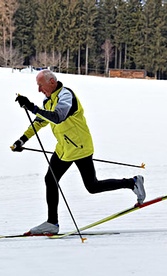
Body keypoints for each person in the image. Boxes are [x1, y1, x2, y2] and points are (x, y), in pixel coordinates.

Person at [11, 69, 145, 235]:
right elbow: (40, 122)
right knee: (50, 180)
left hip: (79, 147)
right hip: (64, 148)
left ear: (52, 82)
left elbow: (58, 117)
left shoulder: (66, 96)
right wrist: (22, 140)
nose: (39, 90)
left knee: (92, 186)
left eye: (41, 85)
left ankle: (132, 182)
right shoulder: (48, 101)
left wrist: (32, 107)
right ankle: (52, 223)